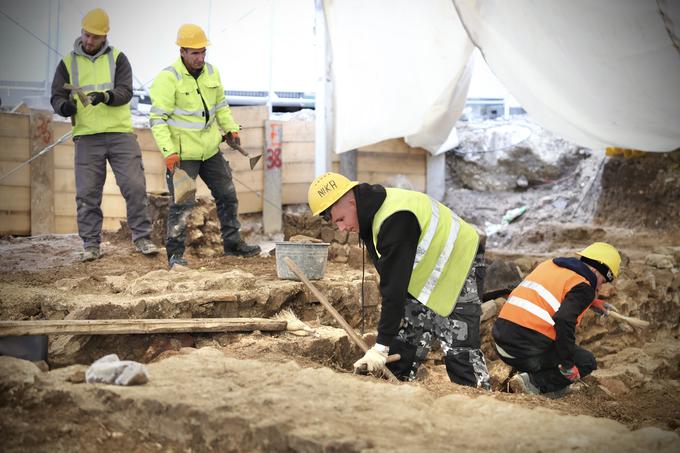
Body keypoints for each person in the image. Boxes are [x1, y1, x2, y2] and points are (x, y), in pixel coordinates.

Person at [307, 172, 491, 389]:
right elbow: (393, 282)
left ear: (351, 201)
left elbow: (393, 288)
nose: (341, 228)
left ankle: (477, 405)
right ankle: (395, 394)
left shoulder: (394, 220)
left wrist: (381, 347)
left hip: (460, 261)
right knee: (405, 341)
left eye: (340, 219)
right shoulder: (371, 214)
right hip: (428, 270)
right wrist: (386, 346)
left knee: (459, 349)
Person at [50, 8, 158, 262]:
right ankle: (90, 244)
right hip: (87, 137)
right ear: (82, 32)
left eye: (95, 37)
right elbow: (56, 95)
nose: (89, 41)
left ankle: (142, 237)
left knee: (134, 186)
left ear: (104, 37)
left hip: (120, 134)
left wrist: (106, 97)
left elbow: (126, 91)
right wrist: (63, 107)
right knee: (87, 192)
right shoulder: (68, 63)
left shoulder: (118, 59)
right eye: (86, 35)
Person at [149, 24, 260, 268]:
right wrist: (169, 153)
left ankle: (233, 245)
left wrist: (231, 127)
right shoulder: (168, 78)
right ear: (182, 52)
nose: (200, 58)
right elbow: (158, 120)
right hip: (182, 155)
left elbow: (220, 105)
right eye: (195, 53)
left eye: (203, 52)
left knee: (227, 195)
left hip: (210, 151)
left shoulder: (212, 72)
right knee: (183, 204)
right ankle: (175, 256)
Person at [492, 242, 621, 397]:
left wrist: (592, 302)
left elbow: (549, 294)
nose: (600, 288)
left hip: (501, 341)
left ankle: (529, 375)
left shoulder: (550, 265)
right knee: (586, 361)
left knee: (553, 343)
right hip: (524, 352)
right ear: (595, 270)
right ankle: (532, 383)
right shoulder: (584, 288)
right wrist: (567, 364)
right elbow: (564, 321)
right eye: (603, 281)